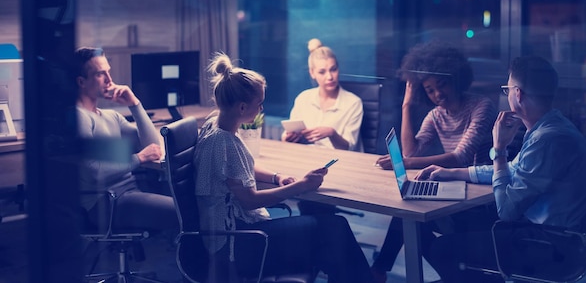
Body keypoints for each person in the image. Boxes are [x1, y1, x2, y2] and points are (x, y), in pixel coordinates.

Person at [193, 52, 375, 283]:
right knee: (335, 230)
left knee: (332, 239)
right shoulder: (224, 141)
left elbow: (235, 168)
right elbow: (250, 200)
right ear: (241, 108)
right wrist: (300, 186)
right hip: (237, 244)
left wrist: (277, 177)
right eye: (259, 104)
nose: (261, 109)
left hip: (234, 234)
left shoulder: (215, 124)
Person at [417, 55, 586, 283]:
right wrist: (451, 172)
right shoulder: (551, 126)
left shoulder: (547, 139)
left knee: (442, 249)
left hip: (551, 243)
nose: (507, 94)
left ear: (518, 94)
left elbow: (507, 210)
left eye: (507, 89)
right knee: (464, 224)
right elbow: (512, 170)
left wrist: (500, 148)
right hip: (547, 232)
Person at [371, 41, 498, 282]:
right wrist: (406, 105)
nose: (438, 94)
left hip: (481, 202)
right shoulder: (436, 115)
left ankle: (380, 270)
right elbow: (411, 151)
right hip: (458, 192)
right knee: (408, 211)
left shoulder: (481, 107)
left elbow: (459, 157)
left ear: (456, 78)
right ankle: (383, 270)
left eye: (442, 84)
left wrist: (407, 163)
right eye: (429, 90)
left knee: (409, 215)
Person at [75, 47, 177, 233]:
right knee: (183, 214)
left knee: (189, 207)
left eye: (108, 72)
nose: (109, 79)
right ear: (81, 82)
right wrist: (139, 158)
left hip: (128, 194)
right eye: (100, 74)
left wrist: (135, 104)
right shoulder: (78, 118)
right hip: (106, 202)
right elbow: (95, 174)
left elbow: (152, 147)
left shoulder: (110, 116)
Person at [282, 38, 364, 151]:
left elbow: (350, 148)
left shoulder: (353, 103)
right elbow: (288, 133)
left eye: (333, 69)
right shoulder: (303, 98)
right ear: (312, 73)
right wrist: (288, 138)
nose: (329, 77)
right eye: (322, 72)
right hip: (307, 156)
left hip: (339, 160)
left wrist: (332, 133)